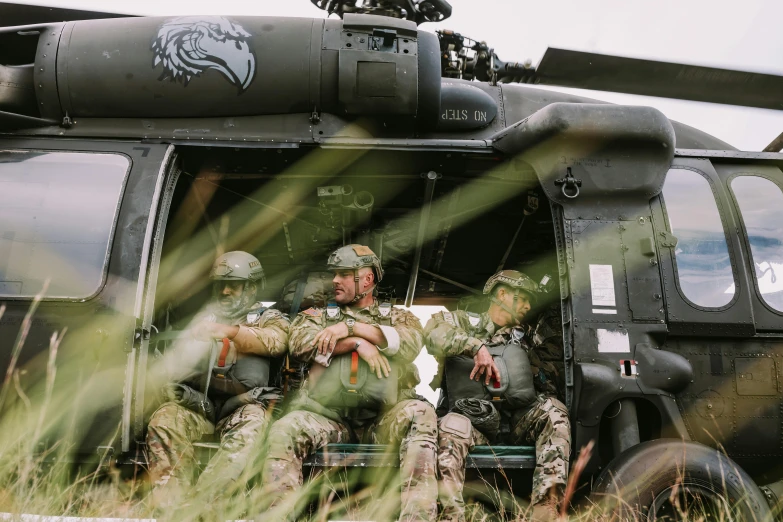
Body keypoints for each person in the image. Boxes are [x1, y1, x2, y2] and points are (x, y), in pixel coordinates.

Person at [261, 244, 438, 522]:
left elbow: (409, 343)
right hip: (330, 421)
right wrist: (358, 344)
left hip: (381, 421)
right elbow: (301, 345)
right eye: (335, 274)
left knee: (421, 413)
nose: (335, 280)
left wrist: (350, 328)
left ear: (366, 280)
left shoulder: (399, 317)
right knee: (285, 429)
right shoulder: (317, 316)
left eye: (344, 274)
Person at [146, 251, 290, 506]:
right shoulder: (202, 319)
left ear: (252, 287)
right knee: (166, 417)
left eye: (232, 285)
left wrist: (228, 332)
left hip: (243, 406)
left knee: (252, 424)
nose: (224, 291)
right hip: (200, 405)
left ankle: (205, 506)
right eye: (220, 285)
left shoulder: (271, 318)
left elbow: (276, 342)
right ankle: (168, 508)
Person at [425, 270, 570, 522]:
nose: (527, 305)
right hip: (472, 423)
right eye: (522, 298)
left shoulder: (527, 336)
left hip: (515, 423)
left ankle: (546, 509)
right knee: (451, 427)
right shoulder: (461, 322)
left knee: (554, 412)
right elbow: (432, 335)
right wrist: (476, 347)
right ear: (501, 294)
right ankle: (451, 516)